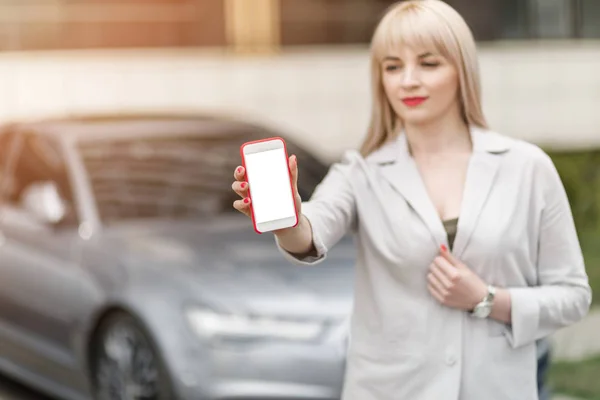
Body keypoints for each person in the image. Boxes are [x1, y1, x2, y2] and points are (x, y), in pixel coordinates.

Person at [231, 0, 592, 399]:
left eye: (429, 63)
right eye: (392, 66)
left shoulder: (527, 168)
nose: (408, 80)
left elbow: (573, 296)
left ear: (462, 71)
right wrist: (288, 220)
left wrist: (487, 299)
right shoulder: (360, 173)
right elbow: (311, 232)